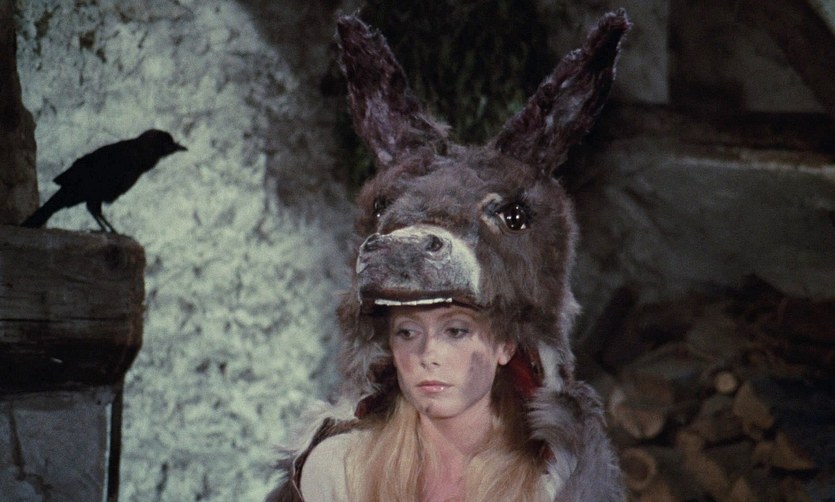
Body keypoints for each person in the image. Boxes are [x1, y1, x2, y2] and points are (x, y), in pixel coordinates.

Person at [298, 303, 560, 502]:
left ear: (505, 345)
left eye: (455, 331)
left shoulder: (551, 486)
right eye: (407, 332)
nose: (428, 354)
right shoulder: (340, 469)